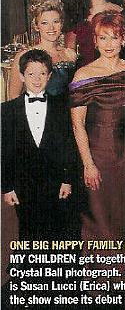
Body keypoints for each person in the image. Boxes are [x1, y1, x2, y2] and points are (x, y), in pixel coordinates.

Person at [69, 11, 125, 272]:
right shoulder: (83, 75)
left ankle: (124, 277)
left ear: (124, 39)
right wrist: (88, 164)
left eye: (115, 37)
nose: (109, 43)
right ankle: (99, 279)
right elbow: (77, 124)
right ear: (95, 41)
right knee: (98, 218)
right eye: (103, 37)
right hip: (97, 155)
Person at [2, 49, 76, 241]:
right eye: (31, 74)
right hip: (22, 182)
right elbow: (4, 151)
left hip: (55, 181)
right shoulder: (7, 111)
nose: (37, 79)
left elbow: (68, 146)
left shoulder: (61, 108)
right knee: (27, 229)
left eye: (42, 73)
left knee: (58, 228)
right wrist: (7, 187)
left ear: (49, 76)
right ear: (21, 76)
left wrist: (67, 179)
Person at [9, 0, 77, 99]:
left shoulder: (69, 55)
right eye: (45, 23)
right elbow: (13, 96)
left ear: (61, 24)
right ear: (36, 26)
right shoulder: (24, 56)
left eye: (55, 22)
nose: (51, 28)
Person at [65, 0, 122, 67]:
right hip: (85, 71)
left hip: (114, 69)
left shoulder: (118, 12)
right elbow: (70, 49)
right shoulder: (76, 13)